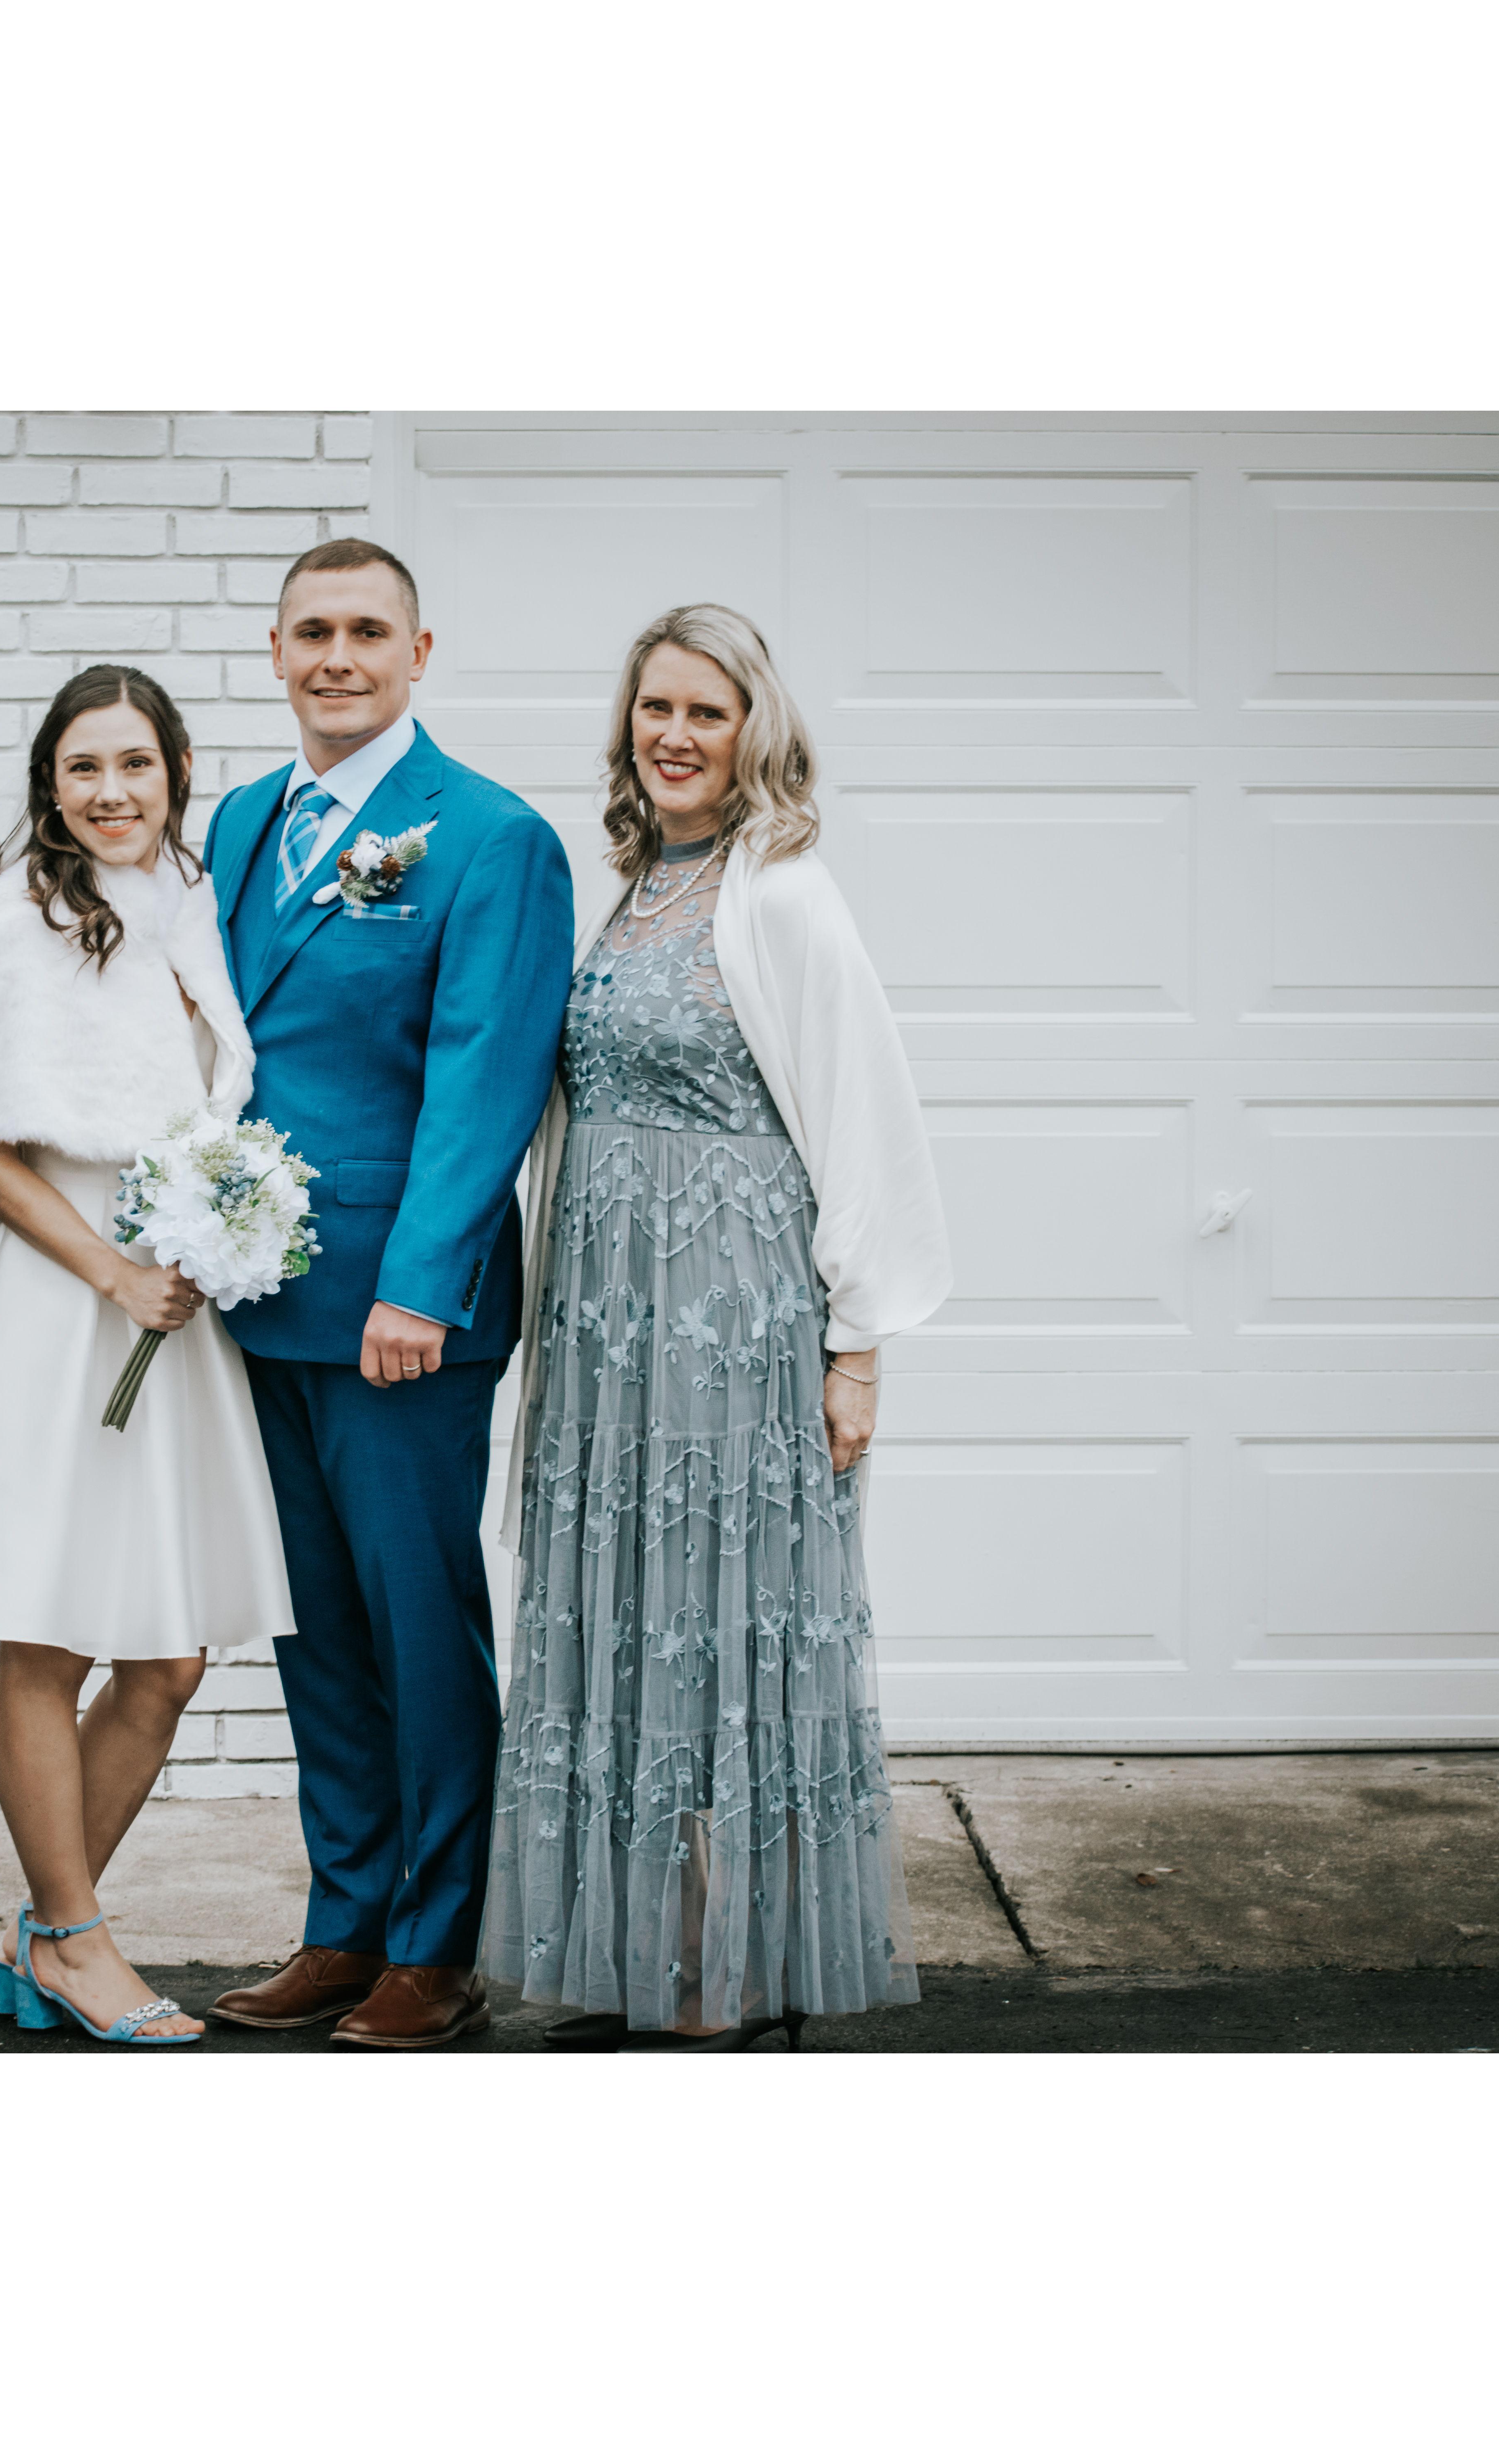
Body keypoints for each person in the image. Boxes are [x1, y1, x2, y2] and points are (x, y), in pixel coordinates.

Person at [481, 603, 952, 2050]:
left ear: (755, 731)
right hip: (606, 1321)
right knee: (632, 1624)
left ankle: (735, 1970)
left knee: (729, 1623)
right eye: (656, 709)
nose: (675, 736)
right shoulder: (629, 884)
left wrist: (856, 1347)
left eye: (706, 712)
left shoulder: (786, 892)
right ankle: (650, 1954)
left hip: (731, 1314)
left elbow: (863, 1116)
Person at [200, 540, 574, 2050]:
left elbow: (487, 1080)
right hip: (260, 1297)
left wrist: (421, 1287)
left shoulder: (489, 837)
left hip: (398, 1322)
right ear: (276, 651)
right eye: (313, 631)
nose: (338, 656)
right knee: (318, 1634)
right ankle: (345, 1922)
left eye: (369, 631)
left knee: (421, 1629)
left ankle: (439, 1942)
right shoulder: (240, 822)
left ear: (420, 654)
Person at [0, 665, 292, 2047]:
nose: (112, 792)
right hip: (66, 1296)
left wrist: (214, 1232)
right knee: (54, 1628)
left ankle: (45, 1932)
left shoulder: (188, 899)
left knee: (169, 1660)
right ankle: (78, 1940)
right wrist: (114, 1272)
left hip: (169, 1304)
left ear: (177, 771)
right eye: (84, 768)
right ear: (50, 784)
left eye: (136, 764)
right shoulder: (10, 922)